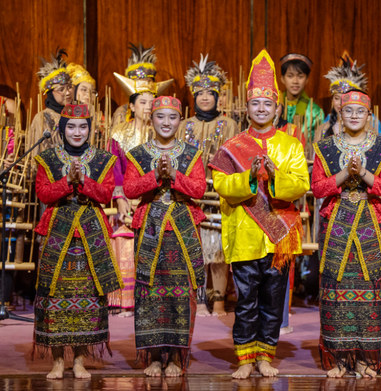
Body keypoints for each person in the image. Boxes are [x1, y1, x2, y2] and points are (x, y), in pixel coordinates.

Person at [209, 49, 309, 379]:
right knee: (247, 299)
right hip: (244, 234)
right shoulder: (232, 145)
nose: (262, 109)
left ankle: (266, 355)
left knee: (272, 299)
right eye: (256, 104)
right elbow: (222, 184)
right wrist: (250, 177)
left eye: (268, 104)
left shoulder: (291, 144)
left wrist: (275, 175)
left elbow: (300, 184)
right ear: (247, 107)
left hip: (278, 235)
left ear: (276, 107)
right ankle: (244, 358)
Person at [33, 103, 122, 379]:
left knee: (89, 298)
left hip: (90, 236)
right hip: (57, 233)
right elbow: (44, 194)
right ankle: (58, 360)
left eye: (83, 126)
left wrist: (81, 180)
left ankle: (80, 360)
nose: (77, 131)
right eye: (71, 126)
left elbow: (106, 194)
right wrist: (66, 183)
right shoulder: (47, 159)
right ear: (62, 130)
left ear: (89, 129)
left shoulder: (102, 159)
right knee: (55, 297)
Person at [313, 90, 381, 378]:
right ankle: (338, 358)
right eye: (349, 111)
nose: (354, 116)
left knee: (369, 292)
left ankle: (364, 357)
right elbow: (319, 189)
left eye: (360, 112)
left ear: (369, 115)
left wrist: (363, 174)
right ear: (340, 113)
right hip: (335, 225)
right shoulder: (325, 148)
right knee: (335, 292)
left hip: (368, 225)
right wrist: (345, 174)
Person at [124, 96, 206, 377]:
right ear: (152, 119)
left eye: (172, 117)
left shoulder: (191, 153)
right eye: (161, 117)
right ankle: (155, 356)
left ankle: (176, 357)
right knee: (149, 292)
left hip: (182, 229)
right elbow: (130, 189)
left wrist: (174, 174)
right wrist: (156, 177)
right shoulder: (137, 153)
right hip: (149, 229)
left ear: (180, 120)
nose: (167, 123)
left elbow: (198, 189)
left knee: (181, 295)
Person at [181, 54, 238, 316]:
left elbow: (235, 159)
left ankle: (218, 300)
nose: (205, 97)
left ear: (218, 96)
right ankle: (199, 296)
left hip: (218, 192)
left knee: (218, 249)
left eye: (210, 93)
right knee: (196, 246)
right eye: (200, 93)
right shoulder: (184, 126)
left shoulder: (229, 125)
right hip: (190, 192)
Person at [106, 78, 158, 316]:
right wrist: (119, 197)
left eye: (152, 101)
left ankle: (147, 300)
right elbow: (114, 167)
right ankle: (123, 300)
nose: (148, 106)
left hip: (152, 197)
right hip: (125, 198)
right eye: (143, 101)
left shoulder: (161, 133)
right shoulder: (118, 132)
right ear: (132, 106)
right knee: (124, 246)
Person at [111, 43, 173, 127]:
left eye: (147, 82)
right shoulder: (121, 113)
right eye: (139, 83)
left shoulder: (159, 112)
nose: (144, 87)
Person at [28, 49, 73, 161]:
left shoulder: (76, 114)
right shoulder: (42, 119)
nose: (67, 93)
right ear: (50, 93)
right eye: (61, 89)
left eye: (69, 87)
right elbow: (37, 157)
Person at [319, 53, 372, 140]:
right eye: (337, 98)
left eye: (345, 98)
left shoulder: (369, 130)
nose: (341, 103)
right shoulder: (323, 129)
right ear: (332, 100)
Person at [278, 53, 324, 144]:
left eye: (300, 76)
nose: (295, 81)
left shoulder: (315, 111)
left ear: (307, 80)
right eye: (290, 76)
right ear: (282, 79)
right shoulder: (275, 107)